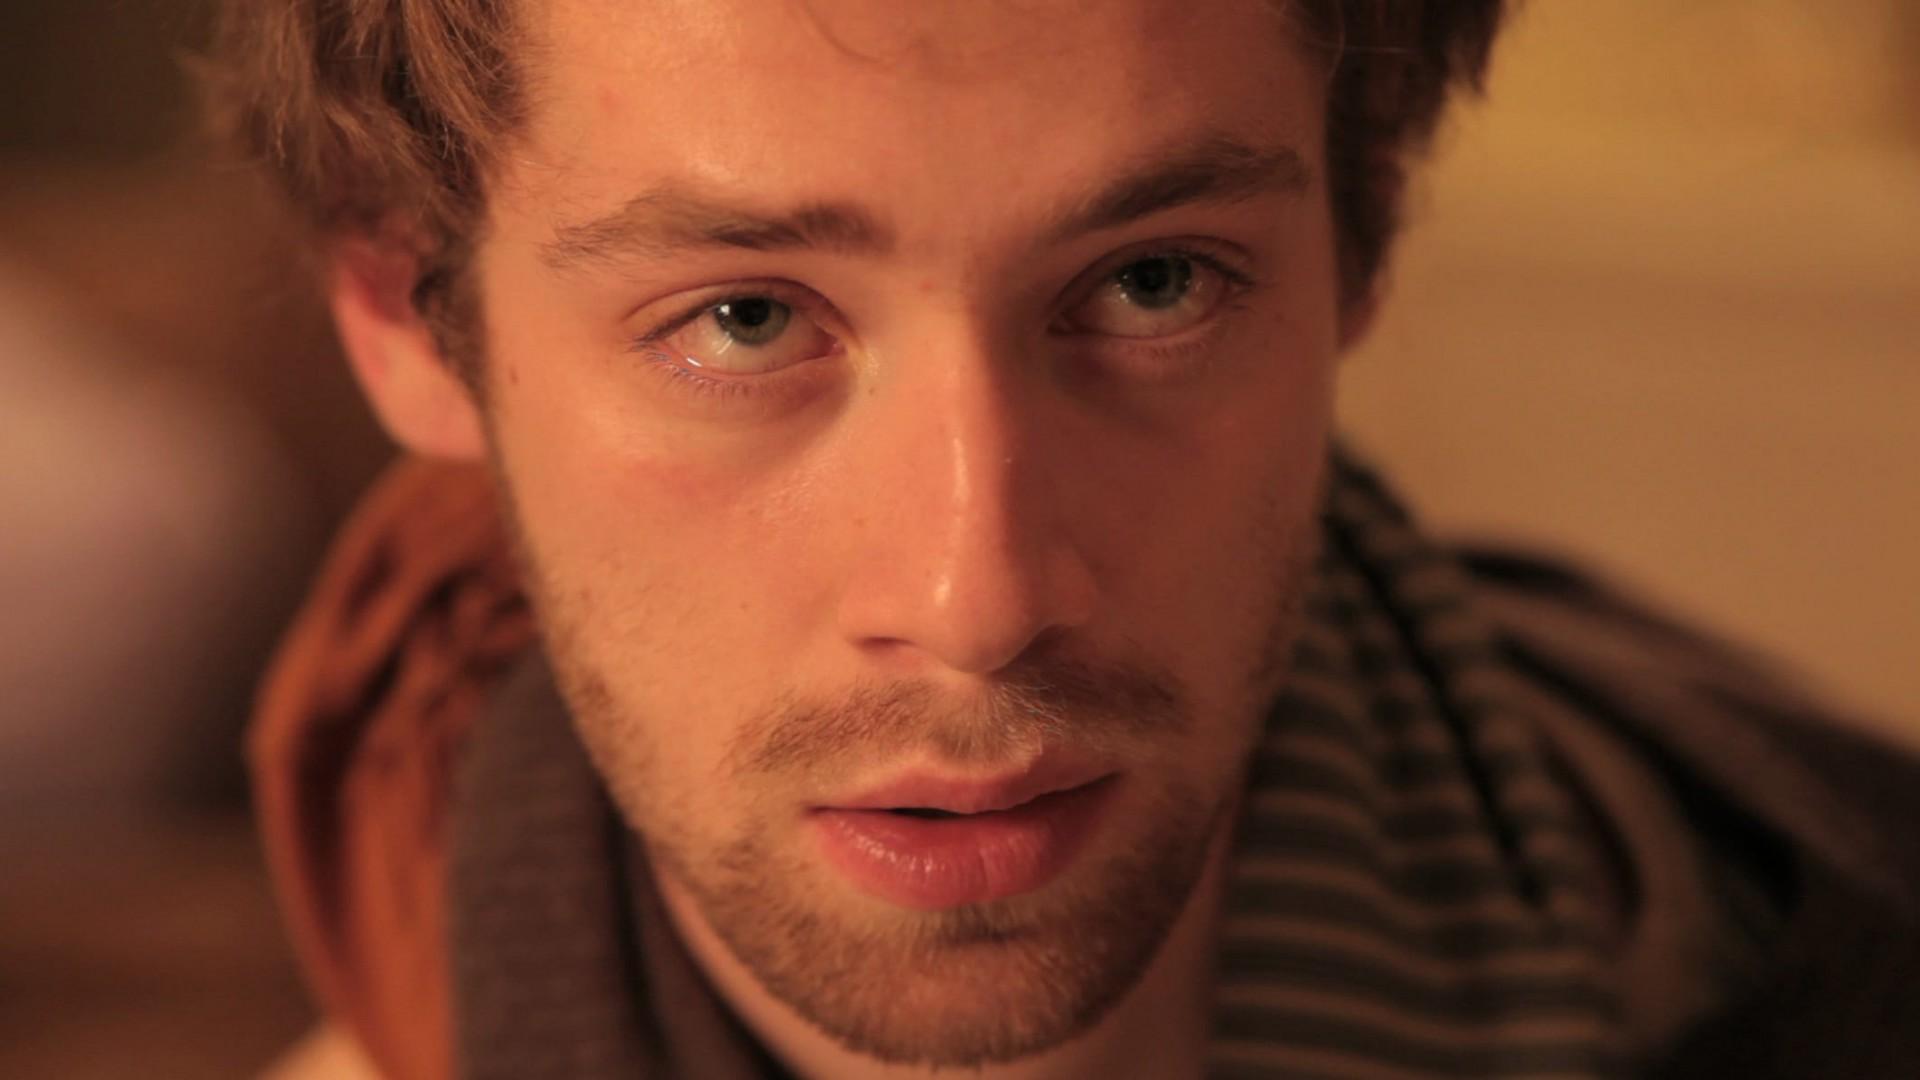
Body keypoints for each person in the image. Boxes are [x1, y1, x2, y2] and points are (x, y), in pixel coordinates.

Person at [208, 2, 1920, 1077]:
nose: (982, 600)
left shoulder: (1828, 966)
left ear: (1367, 239)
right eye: (740, 320)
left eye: (1152, 283)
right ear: (407, 323)